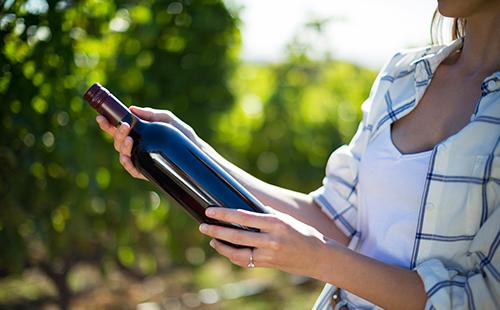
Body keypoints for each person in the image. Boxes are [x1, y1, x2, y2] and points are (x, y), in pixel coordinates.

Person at [96, 0, 500, 308]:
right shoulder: (403, 75)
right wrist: (196, 152)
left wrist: (317, 259)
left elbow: (479, 297)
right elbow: (334, 218)